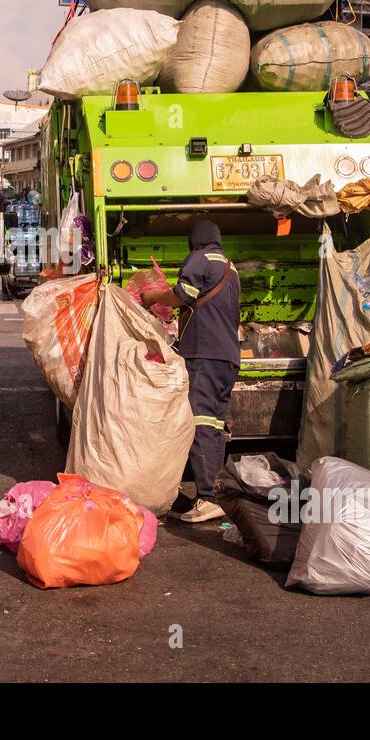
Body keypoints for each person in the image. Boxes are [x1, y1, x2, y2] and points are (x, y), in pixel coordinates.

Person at [140, 220, 241, 523]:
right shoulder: (230, 267)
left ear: (194, 240)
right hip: (227, 357)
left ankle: (208, 497)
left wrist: (154, 298)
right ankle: (217, 492)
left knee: (199, 421)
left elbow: (182, 294)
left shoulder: (201, 258)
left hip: (204, 352)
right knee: (213, 423)